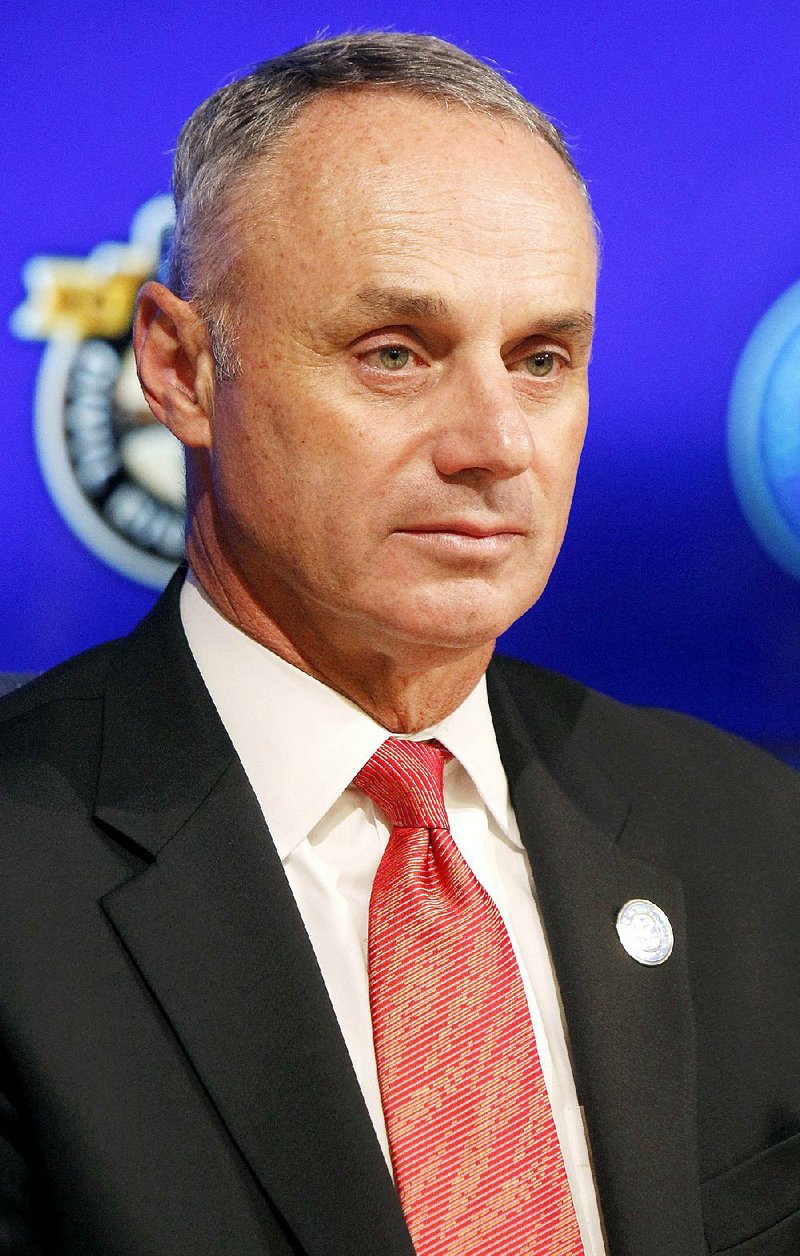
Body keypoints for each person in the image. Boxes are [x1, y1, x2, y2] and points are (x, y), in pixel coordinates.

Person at [1, 31, 799, 1256]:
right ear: (178, 366)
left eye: (541, 359)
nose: (492, 442)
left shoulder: (750, 836)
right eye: (394, 354)